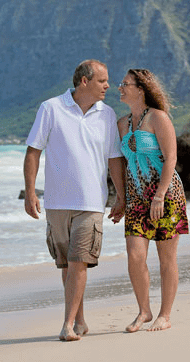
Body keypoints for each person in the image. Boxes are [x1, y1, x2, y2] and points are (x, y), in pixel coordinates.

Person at [24, 59, 126, 342]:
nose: (108, 86)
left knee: (79, 262)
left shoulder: (107, 114)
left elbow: (114, 158)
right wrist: (30, 192)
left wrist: (120, 195)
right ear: (84, 81)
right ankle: (79, 320)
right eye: (102, 81)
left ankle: (67, 325)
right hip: (56, 202)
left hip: (92, 202)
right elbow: (33, 151)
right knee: (67, 265)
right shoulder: (51, 108)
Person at [115, 68, 188, 333]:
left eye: (125, 84)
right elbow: (121, 162)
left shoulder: (158, 117)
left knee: (166, 257)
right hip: (136, 198)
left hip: (166, 196)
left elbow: (171, 158)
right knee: (135, 256)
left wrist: (159, 195)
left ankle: (164, 315)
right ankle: (144, 311)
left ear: (141, 89)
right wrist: (120, 197)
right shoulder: (122, 123)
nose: (120, 87)